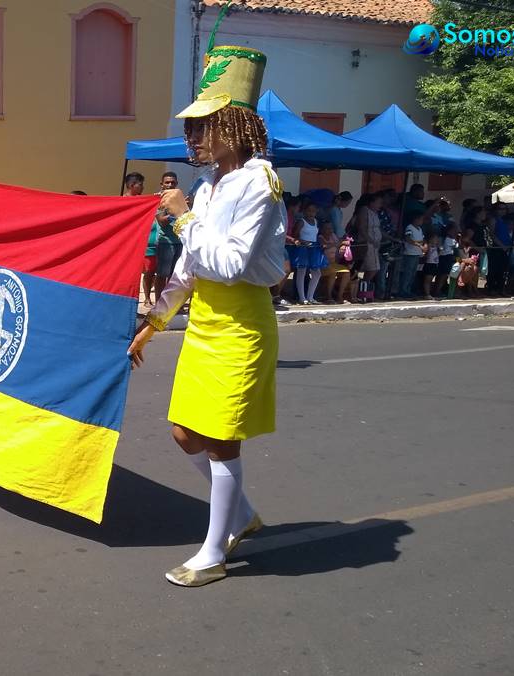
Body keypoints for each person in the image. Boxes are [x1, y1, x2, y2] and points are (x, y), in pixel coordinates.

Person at [126, 44, 285, 587]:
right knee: (183, 433)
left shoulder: (258, 182)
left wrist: (184, 218)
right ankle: (243, 514)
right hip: (205, 322)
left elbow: (230, 264)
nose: (192, 137)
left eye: (202, 126)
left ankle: (215, 552)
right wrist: (154, 321)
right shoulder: (209, 185)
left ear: (235, 125)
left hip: (241, 323)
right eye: (191, 128)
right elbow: (190, 269)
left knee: (220, 439)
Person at [153, 172, 182, 303]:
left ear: (177, 183)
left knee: (174, 276)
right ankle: (159, 302)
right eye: (167, 182)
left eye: (173, 182)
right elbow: (161, 221)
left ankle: (168, 303)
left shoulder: (179, 198)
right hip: (165, 242)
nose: (170, 185)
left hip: (179, 241)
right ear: (162, 184)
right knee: (162, 274)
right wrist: (177, 211)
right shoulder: (159, 200)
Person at [288, 201, 325, 304]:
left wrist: (321, 242)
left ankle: (310, 297)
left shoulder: (316, 222)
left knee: (317, 273)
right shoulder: (301, 222)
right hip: (303, 248)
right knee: (302, 272)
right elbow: (295, 235)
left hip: (313, 248)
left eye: (313, 211)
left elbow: (316, 235)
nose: (311, 213)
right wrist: (303, 242)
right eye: (309, 211)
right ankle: (302, 297)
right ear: (304, 211)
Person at [395, 211, 426, 300]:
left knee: (412, 273)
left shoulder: (420, 229)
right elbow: (407, 238)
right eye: (421, 219)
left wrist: (424, 246)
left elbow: (422, 239)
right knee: (407, 273)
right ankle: (403, 290)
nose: (422, 221)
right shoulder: (409, 227)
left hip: (417, 254)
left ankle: (408, 290)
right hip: (410, 253)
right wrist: (418, 245)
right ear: (416, 219)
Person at [317, 222, 351, 303]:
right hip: (323, 264)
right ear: (322, 230)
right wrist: (338, 243)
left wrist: (343, 245)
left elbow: (340, 242)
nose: (330, 230)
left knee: (347, 272)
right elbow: (324, 246)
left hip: (334, 263)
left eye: (331, 228)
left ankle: (340, 296)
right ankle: (329, 296)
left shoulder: (333, 236)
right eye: (327, 228)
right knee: (333, 272)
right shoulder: (320, 237)